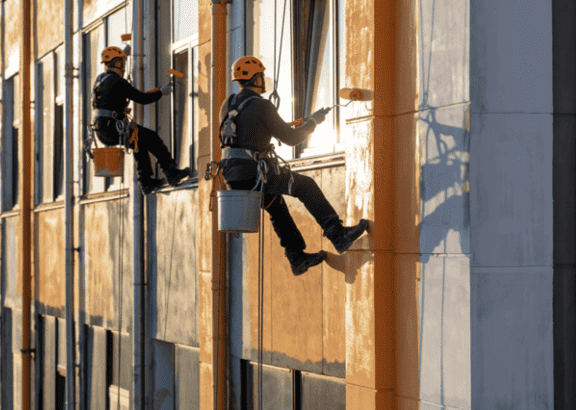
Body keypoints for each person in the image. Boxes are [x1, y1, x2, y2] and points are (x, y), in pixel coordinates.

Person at [218, 56, 370, 276]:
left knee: (275, 205)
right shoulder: (262, 105)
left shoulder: (228, 104)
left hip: (232, 175)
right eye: (261, 76)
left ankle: (296, 257)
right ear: (255, 78)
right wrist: (313, 123)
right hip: (253, 173)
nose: (264, 81)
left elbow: (242, 133)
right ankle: (337, 234)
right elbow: (291, 138)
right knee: (305, 186)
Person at [92, 46, 191, 194]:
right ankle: (171, 173)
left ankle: (146, 182)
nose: (124, 66)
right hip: (112, 127)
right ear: (117, 63)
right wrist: (161, 92)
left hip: (102, 128)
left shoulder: (101, 79)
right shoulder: (117, 81)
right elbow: (142, 98)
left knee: (139, 142)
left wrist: (124, 52)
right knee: (152, 137)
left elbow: (109, 98)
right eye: (122, 62)